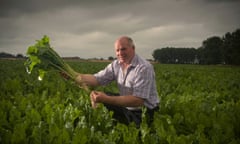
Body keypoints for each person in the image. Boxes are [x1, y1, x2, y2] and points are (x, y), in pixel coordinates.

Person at [73, 36, 159, 127]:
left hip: (144, 112)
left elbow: (138, 101)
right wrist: (75, 77)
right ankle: (98, 125)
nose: (120, 53)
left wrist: (107, 99)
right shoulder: (116, 64)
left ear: (133, 48)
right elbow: (96, 79)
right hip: (127, 107)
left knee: (137, 134)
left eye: (123, 49)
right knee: (98, 96)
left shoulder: (143, 68)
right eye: (117, 50)